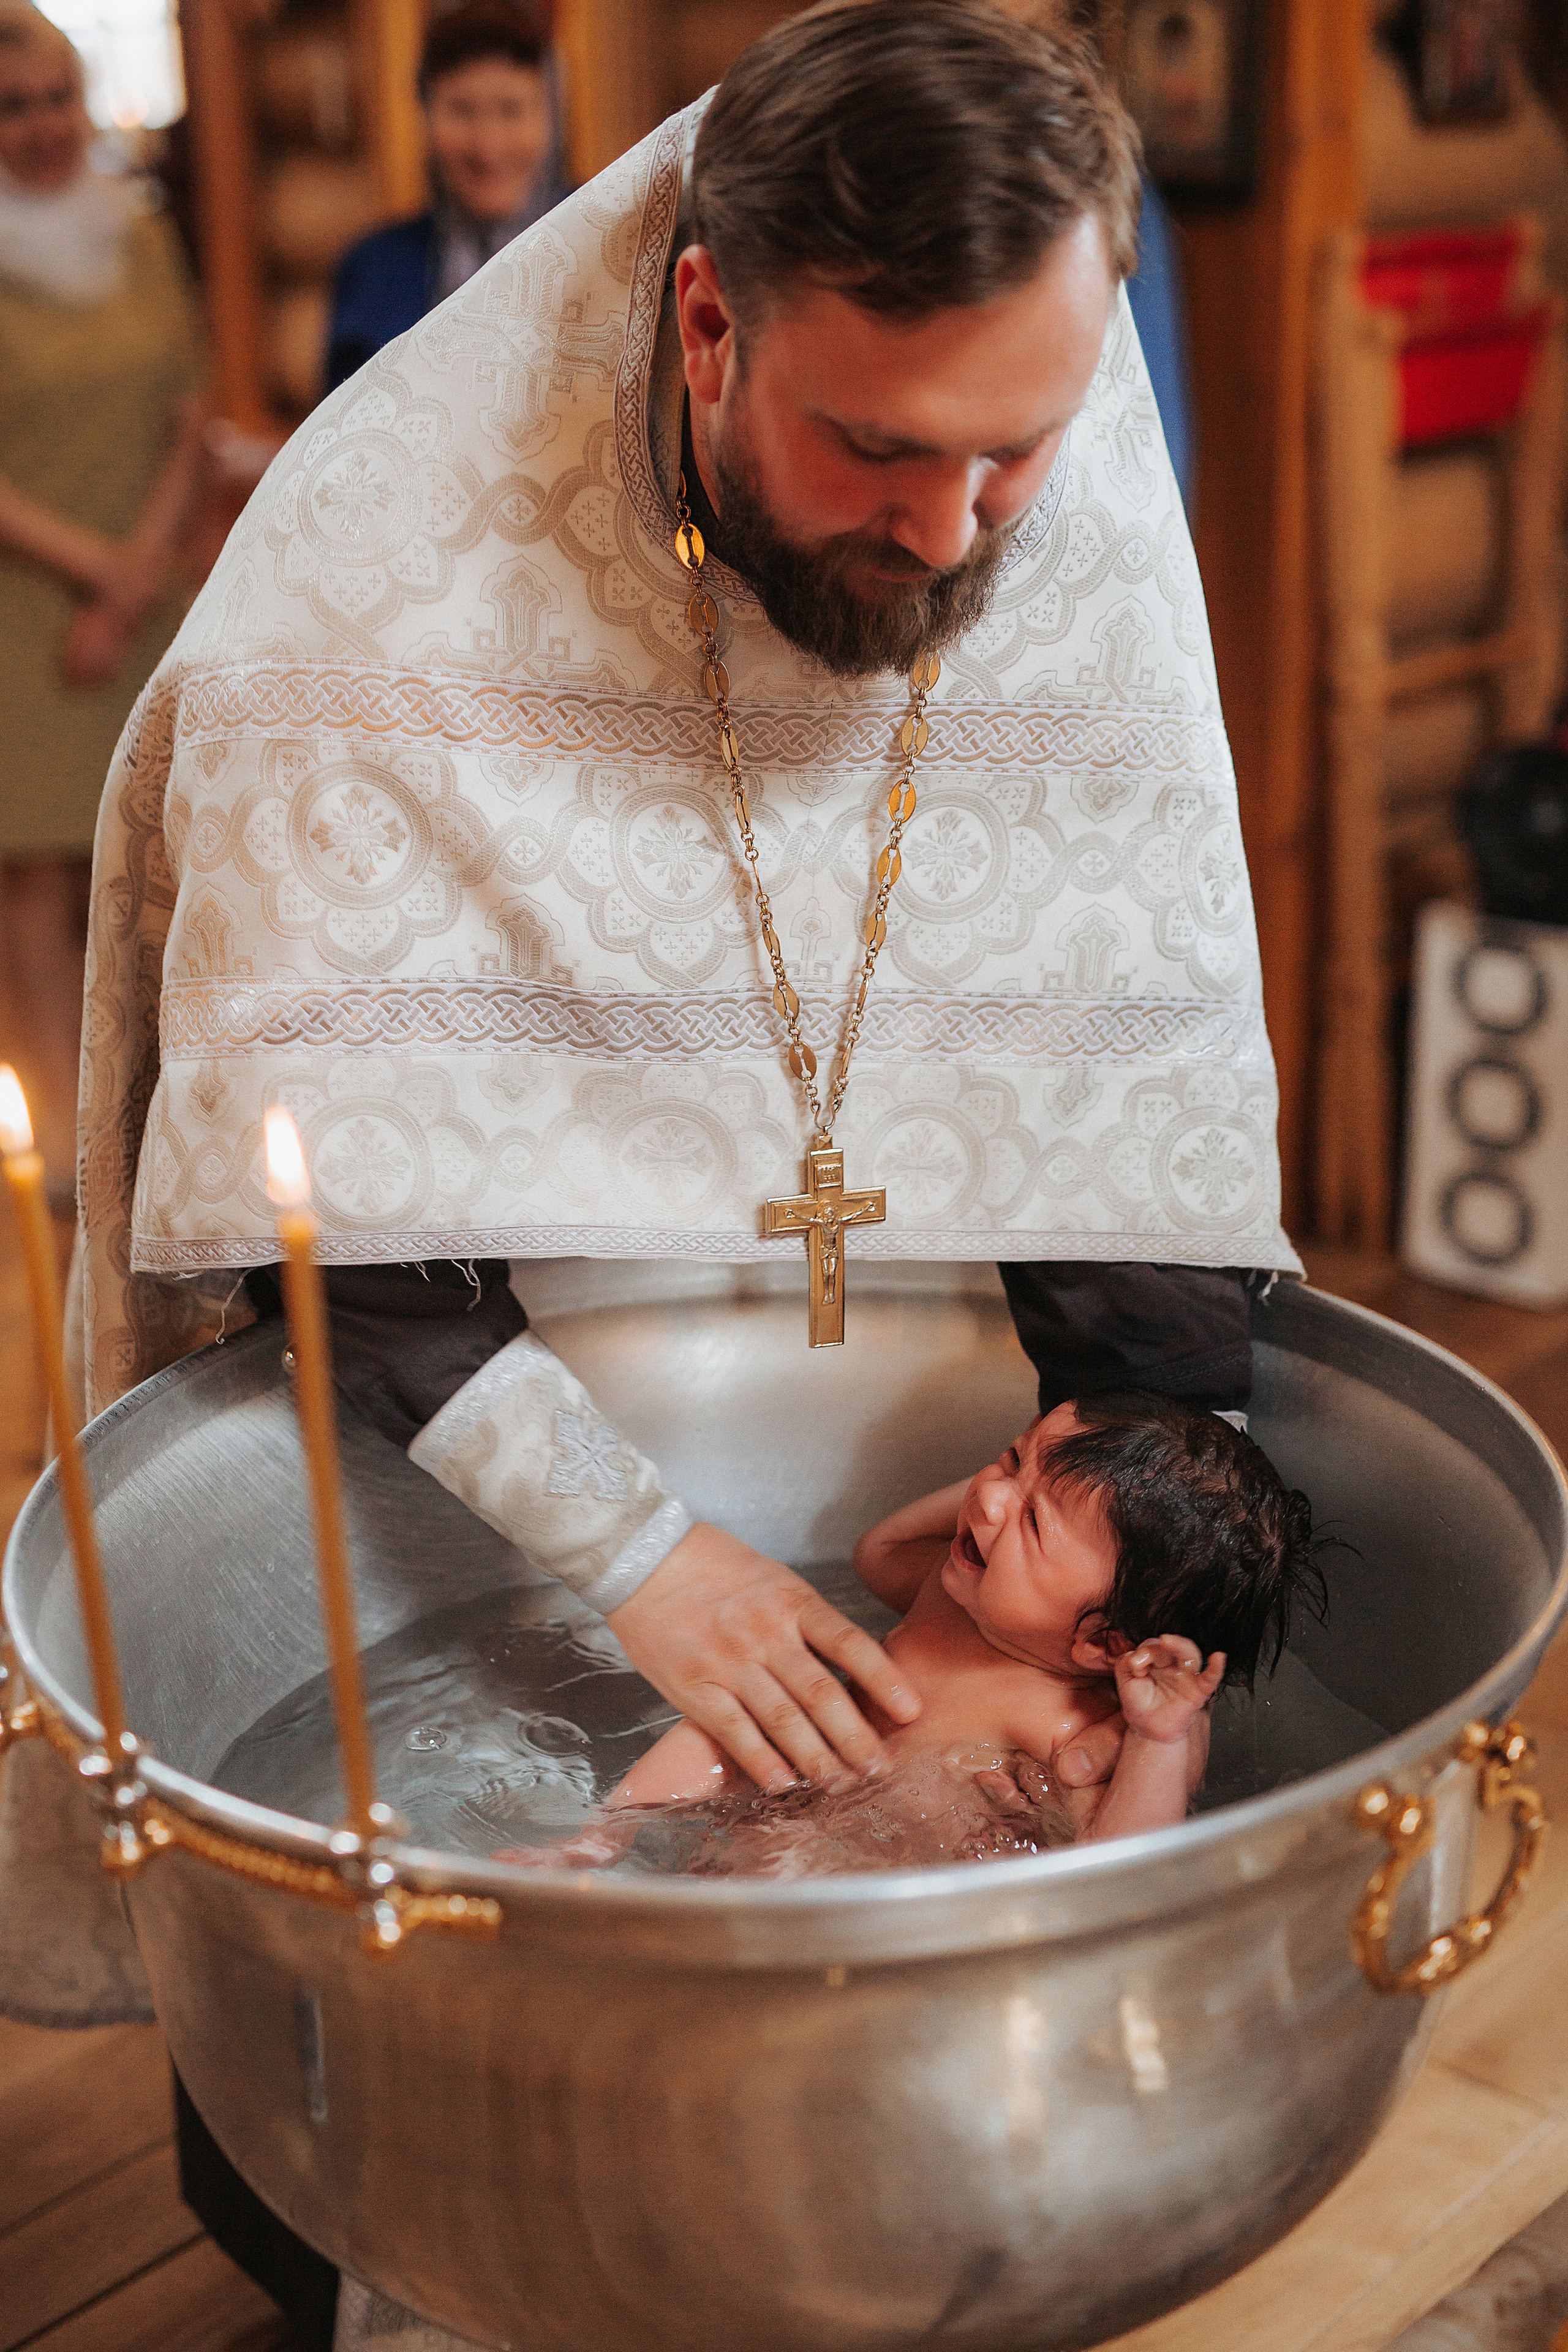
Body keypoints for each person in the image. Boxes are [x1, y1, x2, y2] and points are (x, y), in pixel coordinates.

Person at [28, 5, 1306, 2340]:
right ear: (706, 321)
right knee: (458, 2168)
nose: (952, 539)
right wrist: (644, 1555)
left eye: (1011, 456)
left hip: (897, 1333)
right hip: (479, 1386)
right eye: (878, 449)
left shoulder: (1055, 491)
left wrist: (1155, 1470)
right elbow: (347, 1220)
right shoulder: (380, 559)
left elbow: (1111, 1047)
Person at [500, 1392, 1318, 1875]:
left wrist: (1158, 1739)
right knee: (741, 1709)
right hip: (789, 1809)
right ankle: (600, 1835)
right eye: (1007, 1459)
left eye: (1031, 1521)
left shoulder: (1067, 1724)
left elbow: (1123, 1868)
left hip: (873, 1875)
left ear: (1101, 1644)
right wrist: (1024, 1490)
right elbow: (877, 1551)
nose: (989, 1499)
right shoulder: (950, 1593)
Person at [0, 2, 205, 1188]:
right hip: (27, 602)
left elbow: (189, 406)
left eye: (53, 99)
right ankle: (65, 1153)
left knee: (140, 858)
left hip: (143, 582)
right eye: (11, 107)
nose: (39, 126)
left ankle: (148, 1117)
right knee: (37, 873)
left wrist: (136, 573)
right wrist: (95, 574)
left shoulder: (136, 230)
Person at [324, 0, 570, 393]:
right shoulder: (372, 270)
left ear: (551, 113)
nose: (488, 147)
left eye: (511, 110)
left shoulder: (601, 243)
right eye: (461, 111)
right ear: (424, 113)